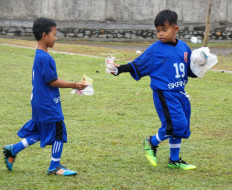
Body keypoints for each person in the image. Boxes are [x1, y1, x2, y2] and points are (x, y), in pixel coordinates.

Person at [110, 10, 197, 170]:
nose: (160, 34)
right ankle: (151, 142)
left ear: (175, 29)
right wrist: (119, 69)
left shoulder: (184, 47)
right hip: (164, 93)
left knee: (181, 127)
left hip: (180, 93)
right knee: (176, 124)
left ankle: (174, 160)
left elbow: (190, 69)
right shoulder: (156, 49)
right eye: (158, 31)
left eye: (164, 30)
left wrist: (201, 65)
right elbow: (138, 63)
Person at [3, 17, 88, 176]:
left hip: (39, 101)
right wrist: (75, 84)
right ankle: (55, 166)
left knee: (38, 133)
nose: (56, 38)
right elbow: (52, 81)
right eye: (54, 34)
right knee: (58, 131)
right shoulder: (45, 57)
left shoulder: (40, 54)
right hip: (46, 103)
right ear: (44, 35)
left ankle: (12, 150)